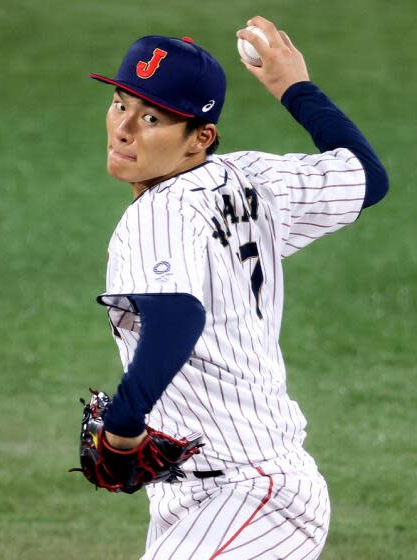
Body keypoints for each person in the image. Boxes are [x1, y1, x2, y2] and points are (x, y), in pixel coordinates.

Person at [86, 16, 387, 559]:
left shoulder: (160, 212)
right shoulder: (253, 178)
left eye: (152, 117)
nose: (124, 128)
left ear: (199, 138)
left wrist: (123, 426)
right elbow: (367, 176)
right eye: (120, 102)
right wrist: (293, 87)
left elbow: (177, 319)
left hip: (244, 494)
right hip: (236, 494)